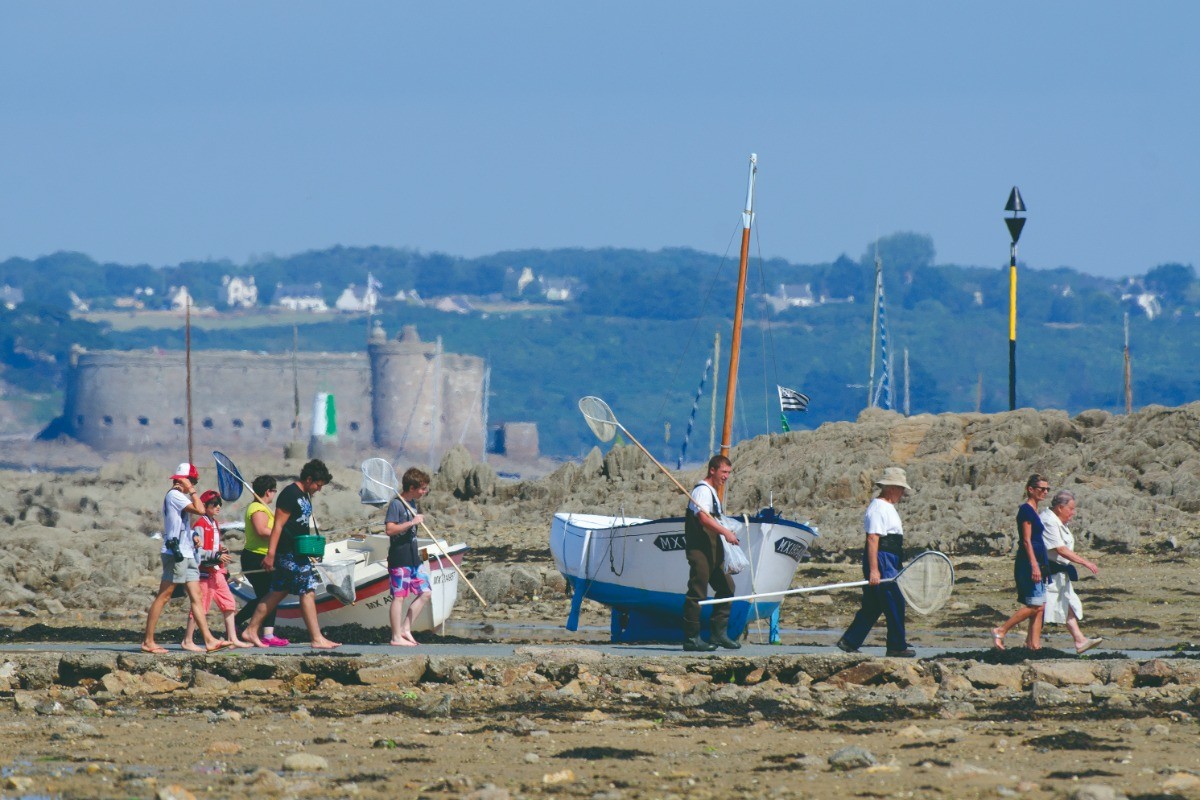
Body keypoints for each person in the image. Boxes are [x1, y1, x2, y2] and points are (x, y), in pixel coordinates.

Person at [241, 459, 341, 650]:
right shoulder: (290, 494)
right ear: (309, 479)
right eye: (318, 485)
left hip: (298, 551)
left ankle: (251, 630)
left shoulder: (304, 495)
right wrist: (271, 554)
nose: (319, 489)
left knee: (278, 592)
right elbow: (278, 525)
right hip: (288, 553)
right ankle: (317, 638)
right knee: (308, 590)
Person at [140, 463, 231, 654]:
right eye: (192, 481)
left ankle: (208, 640)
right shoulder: (175, 495)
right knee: (164, 596)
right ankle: (148, 641)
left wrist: (192, 535)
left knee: (197, 597)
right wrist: (192, 491)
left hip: (187, 552)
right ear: (184, 480)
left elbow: (180, 524)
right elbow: (200, 509)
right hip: (175, 554)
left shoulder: (180, 497)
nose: (194, 484)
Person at [836, 466, 916, 658]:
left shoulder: (887, 507)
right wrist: (874, 570)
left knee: (873, 605)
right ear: (891, 488)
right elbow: (873, 539)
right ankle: (896, 646)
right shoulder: (878, 507)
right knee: (894, 600)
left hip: (890, 558)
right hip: (882, 559)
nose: (902, 493)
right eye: (901, 489)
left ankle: (850, 641)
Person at [681, 454, 741, 651]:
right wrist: (726, 532)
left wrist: (727, 530)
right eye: (723, 472)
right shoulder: (702, 491)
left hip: (715, 551)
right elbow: (703, 519)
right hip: (700, 550)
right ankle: (691, 638)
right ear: (712, 470)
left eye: (729, 473)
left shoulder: (713, 492)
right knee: (697, 591)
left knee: (727, 587)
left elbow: (714, 519)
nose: (726, 476)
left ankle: (718, 634)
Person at [182, 491, 253, 650]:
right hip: (204, 573)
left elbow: (214, 546)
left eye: (219, 504)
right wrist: (216, 555)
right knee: (200, 606)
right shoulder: (200, 525)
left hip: (216, 571)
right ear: (204, 506)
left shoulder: (214, 523)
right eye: (214, 504)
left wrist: (221, 553)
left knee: (229, 602)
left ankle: (232, 638)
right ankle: (187, 639)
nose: (218, 507)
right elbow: (198, 552)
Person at [991, 474, 1052, 650]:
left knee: (1040, 606)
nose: (1045, 492)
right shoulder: (1026, 510)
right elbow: (1026, 540)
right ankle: (1001, 630)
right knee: (1035, 604)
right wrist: (1034, 564)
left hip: (1039, 560)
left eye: (1047, 489)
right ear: (1030, 489)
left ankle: (1033, 645)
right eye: (1042, 489)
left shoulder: (1035, 510)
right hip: (1029, 562)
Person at [1040, 489, 1103, 655]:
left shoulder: (1059, 521)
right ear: (1060, 507)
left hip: (1060, 572)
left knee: (1067, 603)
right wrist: (1085, 562)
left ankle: (1079, 640)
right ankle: (1009, 633)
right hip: (1048, 571)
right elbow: (1060, 549)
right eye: (1071, 509)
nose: (1073, 513)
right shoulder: (1048, 521)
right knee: (1041, 607)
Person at [232, 475, 289, 647]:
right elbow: (261, 530)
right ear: (268, 491)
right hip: (257, 557)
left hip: (264, 555)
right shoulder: (257, 508)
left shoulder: (263, 507)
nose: (274, 494)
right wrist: (282, 533)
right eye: (274, 491)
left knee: (268, 594)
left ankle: (266, 632)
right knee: (270, 595)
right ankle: (245, 624)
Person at [385, 467, 432, 646]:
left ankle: (405, 628)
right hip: (399, 558)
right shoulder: (396, 504)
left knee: (426, 592)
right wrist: (411, 522)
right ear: (412, 487)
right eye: (422, 488)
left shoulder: (412, 503)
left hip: (414, 559)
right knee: (399, 597)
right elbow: (390, 530)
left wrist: (413, 521)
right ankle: (395, 637)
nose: (424, 492)